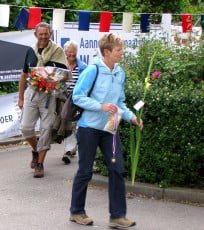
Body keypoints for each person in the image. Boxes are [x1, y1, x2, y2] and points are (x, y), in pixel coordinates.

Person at [69, 33, 143, 228]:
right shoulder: (92, 70)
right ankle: (76, 212)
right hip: (89, 129)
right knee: (85, 171)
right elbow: (77, 97)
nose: (122, 53)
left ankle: (117, 216)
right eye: (119, 50)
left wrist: (132, 117)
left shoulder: (120, 73)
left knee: (117, 169)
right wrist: (100, 106)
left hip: (110, 129)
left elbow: (120, 103)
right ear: (107, 52)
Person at [18, 22, 67, 178]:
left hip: (49, 95)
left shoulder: (58, 51)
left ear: (50, 34)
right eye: (41, 34)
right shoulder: (30, 51)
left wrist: (53, 77)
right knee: (26, 128)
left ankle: (39, 164)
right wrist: (20, 98)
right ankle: (36, 149)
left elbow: (66, 74)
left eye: (46, 34)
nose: (44, 37)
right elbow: (23, 75)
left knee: (46, 129)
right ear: (36, 34)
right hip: (31, 93)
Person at [61, 40, 87, 165]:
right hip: (62, 98)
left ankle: (69, 150)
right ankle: (70, 149)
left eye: (74, 51)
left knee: (73, 124)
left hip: (76, 99)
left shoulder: (83, 67)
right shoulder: (61, 65)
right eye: (69, 52)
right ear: (65, 52)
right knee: (65, 124)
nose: (72, 54)